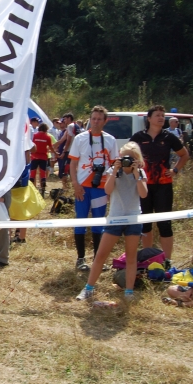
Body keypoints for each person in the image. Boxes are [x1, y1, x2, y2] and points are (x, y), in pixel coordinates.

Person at [76, 142, 148, 301]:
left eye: (131, 158)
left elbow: (143, 194)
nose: (127, 160)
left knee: (131, 257)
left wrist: (136, 174)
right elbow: (107, 190)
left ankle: (129, 291)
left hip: (133, 218)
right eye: (124, 157)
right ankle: (88, 288)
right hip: (115, 217)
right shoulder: (113, 171)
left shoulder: (140, 173)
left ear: (137, 159)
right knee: (101, 255)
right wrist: (115, 170)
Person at [131, 105, 190, 268]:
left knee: (164, 223)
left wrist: (175, 170)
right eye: (157, 115)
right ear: (149, 118)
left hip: (163, 185)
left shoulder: (169, 137)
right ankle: (147, 258)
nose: (161, 118)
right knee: (145, 223)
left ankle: (167, 261)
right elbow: (126, 154)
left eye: (163, 116)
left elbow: (184, 155)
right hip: (144, 185)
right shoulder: (138, 136)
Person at [69, 106, 119, 271]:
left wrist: (111, 189)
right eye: (93, 118)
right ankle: (80, 259)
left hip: (101, 188)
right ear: (90, 120)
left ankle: (99, 260)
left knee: (98, 223)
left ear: (105, 121)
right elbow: (73, 164)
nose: (96, 122)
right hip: (83, 187)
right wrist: (75, 184)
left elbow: (115, 165)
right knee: (81, 221)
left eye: (99, 119)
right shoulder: (80, 138)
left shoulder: (111, 140)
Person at [31, 123, 54, 195]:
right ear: (46, 129)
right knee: (43, 174)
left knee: (32, 174)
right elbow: (51, 147)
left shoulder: (34, 136)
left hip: (34, 157)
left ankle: (31, 191)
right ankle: (43, 192)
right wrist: (56, 154)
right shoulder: (47, 137)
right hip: (43, 157)